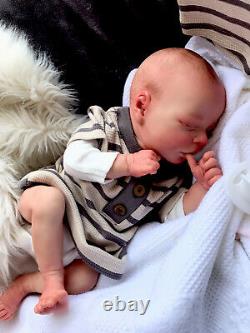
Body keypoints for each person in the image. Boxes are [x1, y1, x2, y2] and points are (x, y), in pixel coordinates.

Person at [0, 48, 225, 320]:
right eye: (190, 126)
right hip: (53, 208)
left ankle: (28, 282)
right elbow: (75, 159)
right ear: (142, 105)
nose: (201, 140)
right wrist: (125, 165)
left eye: (209, 132)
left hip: (85, 248)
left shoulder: (170, 178)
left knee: (86, 279)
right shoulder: (108, 127)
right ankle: (50, 277)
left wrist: (199, 189)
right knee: (48, 202)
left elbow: (170, 216)